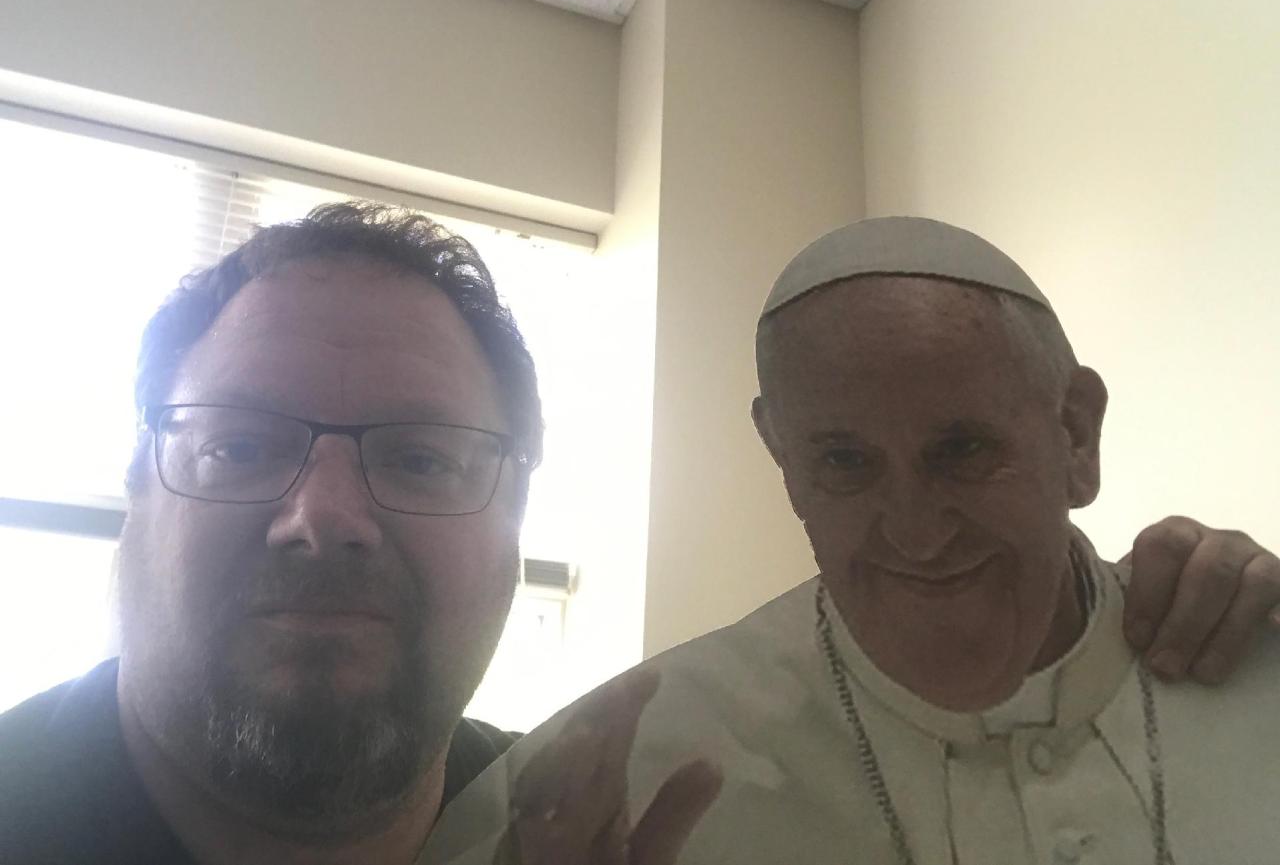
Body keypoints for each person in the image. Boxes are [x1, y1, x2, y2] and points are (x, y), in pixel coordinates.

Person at [0, 205, 1273, 865]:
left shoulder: (559, 802)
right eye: (238, 443)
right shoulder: (658, 762)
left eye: (422, 457)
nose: (323, 520)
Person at [426, 217, 1280, 865]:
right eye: (844, 461)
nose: (917, 530)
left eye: (962, 449)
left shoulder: (1252, 653)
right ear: (786, 464)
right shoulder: (610, 784)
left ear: (1077, 435)